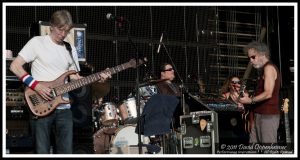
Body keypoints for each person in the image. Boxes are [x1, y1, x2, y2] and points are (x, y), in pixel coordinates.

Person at [9, 10, 111, 154]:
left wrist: (99, 78)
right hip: (41, 104)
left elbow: (75, 78)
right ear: (52, 26)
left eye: (66, 31)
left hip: (64, 109)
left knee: (66, 152)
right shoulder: (37, 42)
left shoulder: (70, 48)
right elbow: (15, 66)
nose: (63, 34)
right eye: (60, 29)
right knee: (42, 151)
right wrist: (36, 85)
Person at [235, 41, 281, 145]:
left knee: (269, 150)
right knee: (253, 148)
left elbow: (268, 93)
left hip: (268, 116)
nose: (250, 61)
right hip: (259, 114)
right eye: (249, 58)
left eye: (253, 57)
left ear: (263, 54)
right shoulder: (263, 69)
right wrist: (249, 97)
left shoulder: (269, 68)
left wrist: (250, 100)